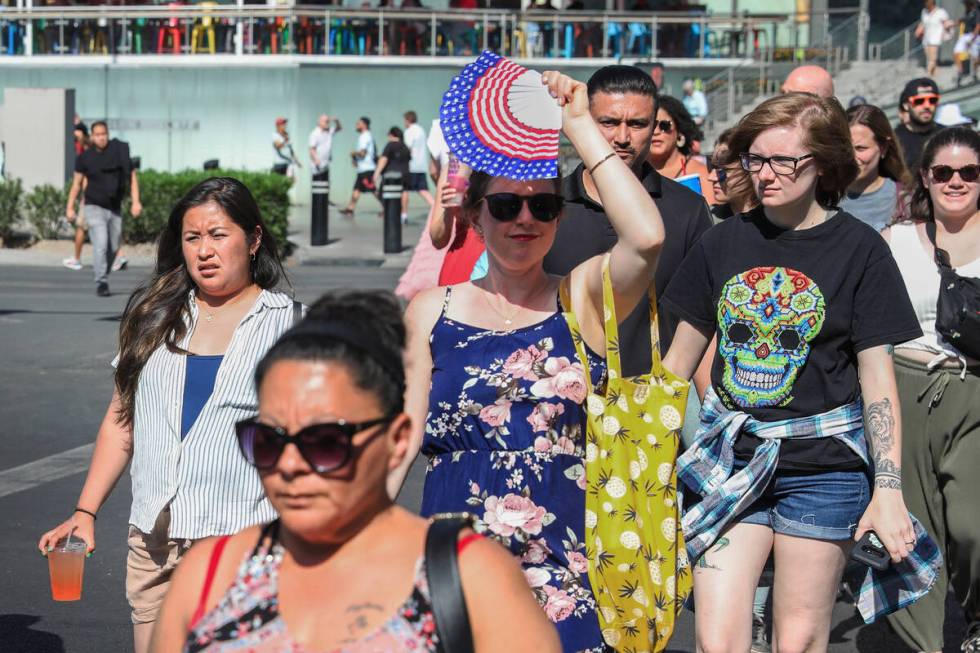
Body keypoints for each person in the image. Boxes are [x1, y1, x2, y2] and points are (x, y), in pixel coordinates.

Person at [396, 70, 668, 651]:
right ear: (474, 215)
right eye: (505, 204)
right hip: (452, 557)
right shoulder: (430, 309)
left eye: (543, 206)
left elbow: (645, 237)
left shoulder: (583, 297)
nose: (524, 219)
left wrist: (580, 126)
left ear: (558, 217)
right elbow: (399, 440)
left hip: (567, 562)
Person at [150, 290, 562, 653]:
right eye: (270, 441)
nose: (290, 466)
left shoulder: (471, 579)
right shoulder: (209, 575)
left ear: (397, 439)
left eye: (325, 442)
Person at [661, 92, 928, 652]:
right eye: (756, 159)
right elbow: (676, 367)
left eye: (785, 161)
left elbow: (878, 381)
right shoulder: (721, 242)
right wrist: (636, 450)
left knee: (799, 637)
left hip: (825, 470)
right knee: (716, 638)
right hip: (731, 460)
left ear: (825, 164)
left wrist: (888, 489)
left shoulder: (862, 250)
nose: (765, 174)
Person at [38, 177, 297, 653]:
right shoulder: (156, 317)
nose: (205, 250)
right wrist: (84, 511)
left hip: (242, 544)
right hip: (154, 544)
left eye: (219, 235)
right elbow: (122, 421)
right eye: (192, 237)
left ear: (253, 238)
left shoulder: (291, 325)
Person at [544, 65, 712, 377]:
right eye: (608, 122)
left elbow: (701, 318)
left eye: (637, 124)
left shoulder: (687, 210)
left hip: (647, 407)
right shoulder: (546, 209)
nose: (622, 137)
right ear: (586, 121)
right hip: (556, 396)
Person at [881, 126, 980, 653]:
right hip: (904, 389)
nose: (956, 181)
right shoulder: (895, 240)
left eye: (970, 172)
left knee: (971, 526)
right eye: (944, 172)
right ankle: (924, 644)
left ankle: (975, 612)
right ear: (926, 177)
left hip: (975, 390)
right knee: (912, 533)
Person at [64, 121, 142, 297]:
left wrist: (136, 201)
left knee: (113, 246)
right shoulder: (85, 158)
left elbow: (132, 177)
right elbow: (76, 184)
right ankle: (101, 281)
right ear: (92, 136)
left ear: (108, 134)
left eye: (104, 134)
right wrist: (70, 207)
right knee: (100, 242)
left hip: (114, 207)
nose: (101, 138)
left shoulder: (119, 151)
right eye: (97, 135)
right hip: (93, 206)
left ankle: (103, 274)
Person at [843, 104, 913, 231]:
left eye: (861, 148)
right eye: (846, 148)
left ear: (884, 147)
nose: (851, 157)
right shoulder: (823, 198)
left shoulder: (905, 200)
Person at [648, 94, 716, 205]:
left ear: (679, 130)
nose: (656, 132)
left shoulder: (700, 173)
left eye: (664, 125)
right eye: (651, 125)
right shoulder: (632, 172)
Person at [706, 128, 755, 225]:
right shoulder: (706, 219)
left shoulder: (781, 219)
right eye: (712, 167)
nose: (711, 178)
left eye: (723, 170)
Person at [895, 78, 942, 172]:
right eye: (919, 101)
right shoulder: (894, 141)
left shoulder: (947, 136)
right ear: (906, 105)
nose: (927, 106)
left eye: (932, 100)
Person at [63, 123, 90, 271]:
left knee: (81, 226)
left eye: (77, 133)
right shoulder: (81, 147)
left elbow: (80, 180)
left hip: (90, 197)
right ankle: (119, 256)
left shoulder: (86, 148)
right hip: (92, 195)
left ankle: (77, 259)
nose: (74, 135)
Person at [340, 117, 378, 216]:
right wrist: (355, 159)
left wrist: (353, 154)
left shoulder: (365, 136)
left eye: (359, 123)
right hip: (362, 169)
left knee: (373, 190)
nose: (356, 124)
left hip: (367, 168)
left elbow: (363, 153)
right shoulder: (363, 136)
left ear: (364, 125)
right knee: (357, 189)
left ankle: (388, 207)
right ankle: (350, 208)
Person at [374, 126, 412, 221]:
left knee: (384, 193)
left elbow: (383, 159)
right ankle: (404, 214)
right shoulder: (405, 146)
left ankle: (389, 212)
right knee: (404, 191)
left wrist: (376, 173)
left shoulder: (390, 145)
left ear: (391, 135)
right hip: (405, 173)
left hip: (391, 175)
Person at [403, 110, 435, 221]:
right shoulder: (421, 130)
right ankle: (435, 207)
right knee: (422, 189)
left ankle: (404, 215)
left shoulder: (409, 131)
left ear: (408, 120)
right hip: (421, 165)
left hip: (411, 166)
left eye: (404, 120)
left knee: (404, 189)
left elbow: (407, 148)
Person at [916, 0, 954, 77]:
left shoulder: (941, 12)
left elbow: (946, 23)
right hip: (926, 39)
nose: (925, 3)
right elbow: (923, 23)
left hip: (936, 38)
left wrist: (948, 33)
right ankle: (935, 76)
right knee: (930, 58)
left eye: (927, 2)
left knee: (932, 59)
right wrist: (918, 31)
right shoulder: (924, 12)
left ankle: (928, 75)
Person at [308, 113, 341, 192]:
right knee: (318, 185)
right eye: (326, 122)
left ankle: (324, 202)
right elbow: (312, 149)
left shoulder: (329, 131)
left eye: (328, 122)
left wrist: (337, 121)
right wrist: (316, 159)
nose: (327, 124)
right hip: (318, 164)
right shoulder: (315, 134)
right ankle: (318, 203)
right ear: (320, 122)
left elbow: (339, 128)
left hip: (326, 162)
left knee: (325, 185)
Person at [953, 0, 980, 85]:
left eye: (966, 3)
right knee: (956, 52)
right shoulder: (966, 13)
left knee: (975, 57)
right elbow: (960, 21)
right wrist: (950, 24)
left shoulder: (976, 13)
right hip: (964, 36)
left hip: (973, 35)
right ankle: (961, 72)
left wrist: (973, 38)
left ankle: (974, 74)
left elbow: (978, 26)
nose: (965, 5)